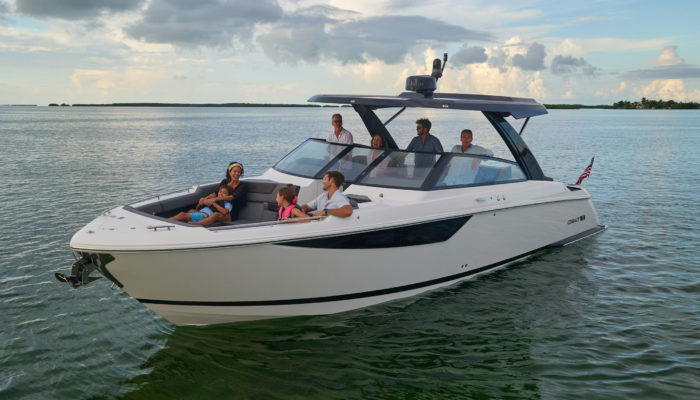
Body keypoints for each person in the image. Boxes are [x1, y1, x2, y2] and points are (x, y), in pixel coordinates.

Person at [169, 185, 234, 226]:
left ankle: (168, 221)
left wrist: (213, 203)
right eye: (220, 192)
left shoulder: (227, 203)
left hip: (205, 215)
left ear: (228, 196)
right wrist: (201, 202)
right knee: (191, 211)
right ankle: (180, 222)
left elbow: (225, 211)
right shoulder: (214, 199)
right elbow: (198, 208)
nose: (221, 194)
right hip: (201, 212)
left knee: (182, 214)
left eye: (224, 193)